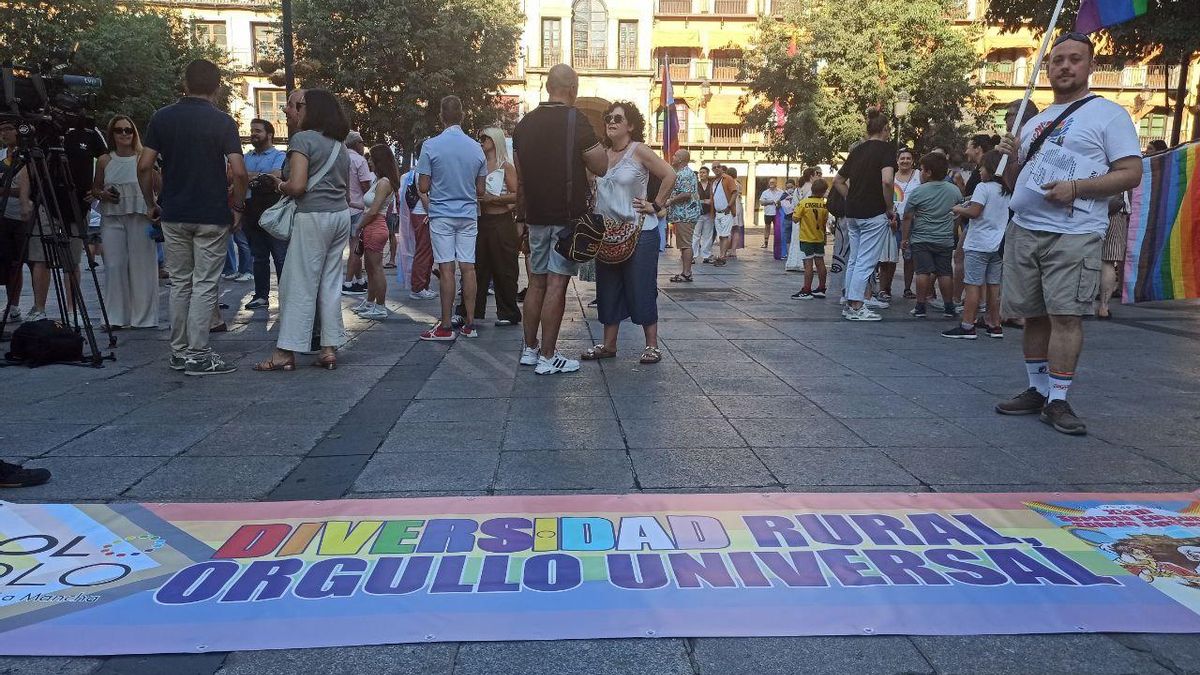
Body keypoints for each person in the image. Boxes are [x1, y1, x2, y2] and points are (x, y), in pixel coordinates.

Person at [994, 31, 1142, 435]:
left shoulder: (1108, 115)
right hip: (1026, 229)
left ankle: (1058, 399)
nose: (1064, 66)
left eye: (1075, 59)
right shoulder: (1035, 120)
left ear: (1090, 66)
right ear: (1048, 67)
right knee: (1033, 316)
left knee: (1065, 316)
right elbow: (1016, 182)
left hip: (1074, 232)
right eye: (1057, 60)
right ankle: (1036, 390)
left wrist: (1076, 189)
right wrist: (1009, 160)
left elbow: (1132, 173)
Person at [139, 59, 247, 376]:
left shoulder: (162, 118)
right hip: (211, 212)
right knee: (204, 284)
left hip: (173, 211)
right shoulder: (223, 122)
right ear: (217, 87)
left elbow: (145, 165)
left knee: (180, 284)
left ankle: (179, 351)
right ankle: (199, 354)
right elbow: (239, 171)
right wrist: (238, 206)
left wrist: (151, 202)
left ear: (184, 84)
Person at [513, 64, 608, 374]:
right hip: (566, 219)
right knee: (557, 284)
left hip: (535, 216)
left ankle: (530, 350)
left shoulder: (524, 124)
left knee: (536, 283)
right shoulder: (575, 120)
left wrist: (522, 217)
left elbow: (521, 177)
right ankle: (549, 356)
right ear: (572, 89)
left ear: (547, 87)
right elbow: (601, 164)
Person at [253, 88, 351, 372]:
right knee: (330, 284)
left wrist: (277, 185)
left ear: (314, 109)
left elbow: (297, 186)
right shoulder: (339, 144)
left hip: (313, 217)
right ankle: (329, 348)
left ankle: (285, 351)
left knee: (298, 283)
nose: (294, 110)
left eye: (301, 105)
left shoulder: (303, 139)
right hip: (339, 216)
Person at [580, 101, 676, 366]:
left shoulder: (639, 151)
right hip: (606, 234)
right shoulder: (600, 155)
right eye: (609, 118)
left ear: (631, 125)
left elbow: (669, 175)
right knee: (608, 289)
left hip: (640, 232)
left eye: (618, 118)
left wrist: (655, 205)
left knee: (641, 287)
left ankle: (652, 345)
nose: (611, 122)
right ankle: (608, 345)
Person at [416, 95, 487, 341]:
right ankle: (470, 323)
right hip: (468, 214)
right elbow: (481, 190)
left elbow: (423, 185)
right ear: (463, 116)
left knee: (446, 268)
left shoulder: (431, 145)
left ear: (441, 116)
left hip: (442, 214)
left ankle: (445, 325)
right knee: (469, 268)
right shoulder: (476, 147)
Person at [92, 115, 158, 329]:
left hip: (140, 215)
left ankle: (144, 318)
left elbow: (159, 182)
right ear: (111, 134)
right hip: (112, 215)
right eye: (119, 130)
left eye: (128, 130)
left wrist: (153, 203)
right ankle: (114, 317)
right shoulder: (104, 160)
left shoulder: (143, 157)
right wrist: (103, 194)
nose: (124, 134)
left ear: (134, 132)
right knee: (113, 265)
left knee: (143, 266)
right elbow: (95, 187)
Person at [832, 109, 896, 321]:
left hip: (853, 212)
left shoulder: (857, 151)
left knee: (854, 259)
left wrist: (852, 197)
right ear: (885, 128)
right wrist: (889, 207)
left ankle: (849, 301)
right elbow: (887, 180)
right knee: (866, 261)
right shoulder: (886, 150)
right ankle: (857, 306)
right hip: (873, 211)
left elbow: (837, 181)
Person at [944, 149, 1011, 339]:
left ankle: (967, 324)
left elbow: (975, 212)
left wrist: (958, 208)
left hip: (978, 242)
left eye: (981, 167)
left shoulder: (983, 188)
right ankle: (994, 323)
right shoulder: (1006, 189)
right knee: (993, 285)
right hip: (998, 244)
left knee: (972, 284)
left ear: (990, 168)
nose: (979, 171)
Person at [901, 152, 960, 320]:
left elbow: (907, 217)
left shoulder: (918, 192)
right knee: (945, 273)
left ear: (928, 172)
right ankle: (949, 306)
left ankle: (920, 306)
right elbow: (958, 213)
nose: (919, 172)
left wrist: (905, 238)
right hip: (945, 239)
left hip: (921, 239)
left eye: (921, 169)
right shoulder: (953, 190)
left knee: (922, 272)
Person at [475, 127, 522, 327]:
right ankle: (474, 309)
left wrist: (495, 200)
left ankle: (508, 312)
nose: (481, 141)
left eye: (484, 138)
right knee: (478, 267)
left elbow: (517, 195)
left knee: (505, 269)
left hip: (502, 221)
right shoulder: (479, 165)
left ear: (494, 140)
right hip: (482, 220)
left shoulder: (506, 166)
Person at [242, 118, 288, 310]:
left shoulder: (279, 155)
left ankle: (287, 295)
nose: (253, 134)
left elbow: (276, 176)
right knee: (258, 257)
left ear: (269, 135)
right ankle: (261, 295)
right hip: (251, 211)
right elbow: (236, 176)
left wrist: (249, 176)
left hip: (273, 212)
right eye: (252, 130)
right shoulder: (247, 156)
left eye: (258, 131)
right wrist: (263, 177)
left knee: (280, 257)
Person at [353, 144, 399, 320]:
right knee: (371, 268)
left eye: (371, 158)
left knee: (376, 268)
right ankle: (371, 302)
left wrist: (358, 226)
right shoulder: (379, 181)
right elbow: (369, 207)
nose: (369, 161)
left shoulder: (384, 182)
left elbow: (374, 210)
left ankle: (380, 306)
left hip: (375, 225)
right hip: (372, 226)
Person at [340, 131, 374, 296]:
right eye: (362, 142)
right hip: (358, 207)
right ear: (357, 143)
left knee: (353, 244)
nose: (363, 145)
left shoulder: (341, 157)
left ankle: (359, 280)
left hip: (342, 207)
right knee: (356, 246)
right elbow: (366, 187)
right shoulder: (360, 160)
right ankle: (347, 282)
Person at [0, 120, 28, 321]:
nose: (4, 133)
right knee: (9, 263)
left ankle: (35, 306)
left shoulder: (27, 156)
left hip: (24, 216)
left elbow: (31, 188)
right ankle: (12, 306)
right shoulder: (1, 156)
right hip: (4, 217)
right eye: (1, 130)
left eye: (8, 129)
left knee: (25, 262)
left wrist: (6, 191)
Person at [401, 148, 437, 300]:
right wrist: (431, 213)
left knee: (426, 251)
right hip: (423, 213)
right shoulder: (421, 173)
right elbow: (423, 194)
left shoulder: (417, 171)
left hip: (421, 212)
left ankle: (423, 285)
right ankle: (418, 287)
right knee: (424, 250)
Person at [790, 178, 831, 300]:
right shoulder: (824, 204)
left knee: (808, 264)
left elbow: (795, 218)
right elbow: (824, 221)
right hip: (819, 237)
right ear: (823, 192)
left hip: (807, 237)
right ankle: (821, 288)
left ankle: (806, 290)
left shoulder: (803, 203)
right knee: (820, 262)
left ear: (812, 189)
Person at [666, 149, 701, 283]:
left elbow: (686, 193)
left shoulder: (684, 174)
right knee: (683, 244)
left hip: (685, 214)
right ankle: (685, 271)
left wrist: (670, 201)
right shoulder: (682, 173)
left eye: (675, 155)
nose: (672, 157)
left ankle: (687, 273)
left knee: (685, 244)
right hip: (683, 214)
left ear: (680, 159)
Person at [893, 148, 922, 299]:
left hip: (913, 223)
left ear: (913, 160)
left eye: (908, 158)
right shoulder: (890, 176)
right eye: (902, 158)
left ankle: (907, 288)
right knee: (889, 257)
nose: (905, 161)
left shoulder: (919, 175)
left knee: (909, 257)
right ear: (897, 160)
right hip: (893, 221)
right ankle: (885, 289)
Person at [1097, 192, 1129, 320]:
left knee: (1082, 256)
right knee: (1108, 260)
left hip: (1087, 208)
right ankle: (1103, 307)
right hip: (1115, 208)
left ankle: (1081, 306)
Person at [710, 164, 737, 266]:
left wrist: (729, 206)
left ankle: (722, 257)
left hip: (726, 211)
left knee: (725, 235)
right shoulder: (713, 182)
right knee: (721, 236)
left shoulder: (728, 178)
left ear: (722, 168)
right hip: (718, 212)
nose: (716, 169)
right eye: (714, 167)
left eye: (718, 166)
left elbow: (735, 193)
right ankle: (721, 255)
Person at [694, 165, 716, 263]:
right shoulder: (695, 185)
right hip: (697, 213)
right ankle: (693, 256)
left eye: (703, 172)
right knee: (696, 234)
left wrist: (711, 201)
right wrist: (703, 201)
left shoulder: (712, 185)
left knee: (708, 234)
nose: (701, 174)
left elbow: (715, 197)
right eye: (700, 173)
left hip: (709, 213)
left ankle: (706, 255)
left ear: (707, 174)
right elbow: (693, 198)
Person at [758, 178, 783, 249]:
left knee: (777, 228)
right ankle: (765, 243)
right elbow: (762, 202)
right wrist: (771, 201)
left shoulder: (781, 192)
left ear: (776, 183)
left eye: (773, 182)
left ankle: (777, 243)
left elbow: (784, 201)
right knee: (767, 227)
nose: (771, 184)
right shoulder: (765, 192)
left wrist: (779, 203)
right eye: (770, 182)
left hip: (777, 213)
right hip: (768, 213)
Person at [727, 167, 745, 255]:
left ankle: (726, 249)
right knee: (736, 229)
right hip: (739, 207)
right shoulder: (739, 184)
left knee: (728, 229)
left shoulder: (730, 183)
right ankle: (733, 250)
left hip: (732, 207)